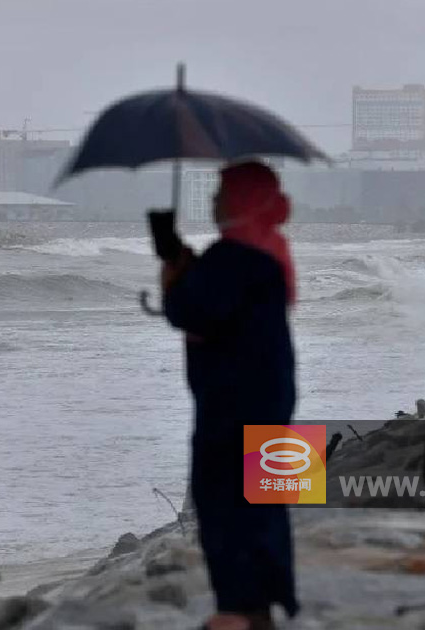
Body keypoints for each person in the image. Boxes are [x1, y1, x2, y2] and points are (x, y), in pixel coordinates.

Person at [160, 161, 299, 630]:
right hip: (270, 391)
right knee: (264, 497)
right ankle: (267, 603)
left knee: (223, 499)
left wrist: (174, 277)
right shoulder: (269, 249)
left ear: (242, 199)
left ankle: (238, 610)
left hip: (232, 399)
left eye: (222, 192)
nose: (215, 200)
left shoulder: (235, 256)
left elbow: (191, 312)